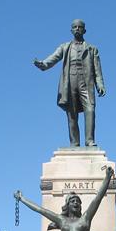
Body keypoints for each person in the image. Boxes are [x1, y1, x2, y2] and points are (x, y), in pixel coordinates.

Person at [33, 19, 106, 147]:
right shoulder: (65, 47)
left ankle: (89, 140)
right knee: (71, 113)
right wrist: (43, 64)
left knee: (90, 110)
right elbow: (54, 58)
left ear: (84, 30)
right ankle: (74, 142)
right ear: (71, 30)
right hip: (70, 82)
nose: (77, 29)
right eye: (75, 27)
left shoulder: (92, 49)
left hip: (86, 82)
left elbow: (97, 69)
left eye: (80, 27)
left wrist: (100, 84)